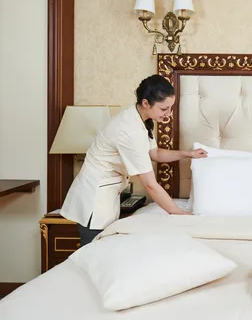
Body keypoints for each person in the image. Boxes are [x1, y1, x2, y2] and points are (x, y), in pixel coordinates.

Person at [60, 75, 207, 246]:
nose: (168, 114)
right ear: (146, 103)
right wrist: (178, 214)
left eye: (170, 108)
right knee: (93, 256)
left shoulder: (137, 118)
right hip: (94, 199)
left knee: (102, 256)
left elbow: (155, 153)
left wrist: (188, 154)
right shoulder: (130, 130)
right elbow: (150, 184)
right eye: (164, 109)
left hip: (106, 195)